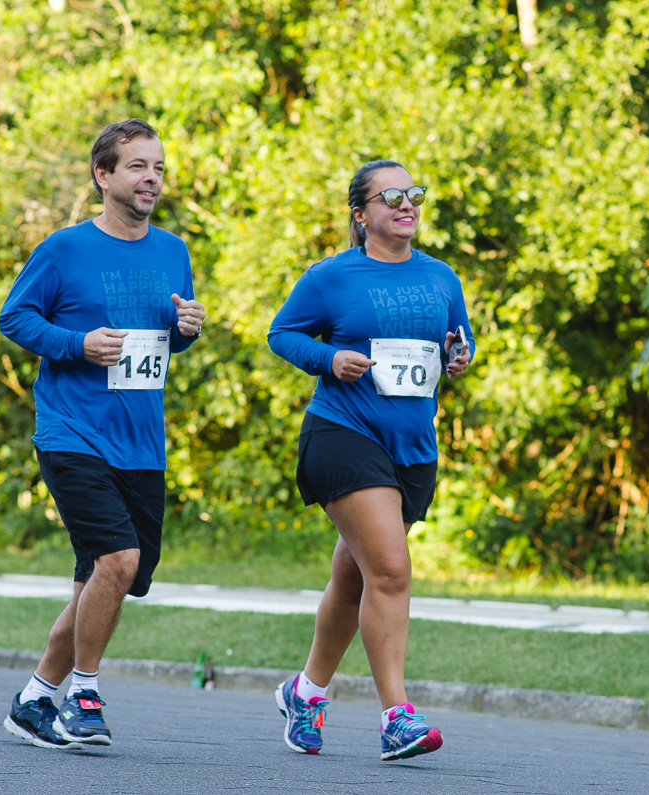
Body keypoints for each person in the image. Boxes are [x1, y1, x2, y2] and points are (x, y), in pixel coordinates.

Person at [0, 118, 205, 749]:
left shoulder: (173, 251)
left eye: (159, 168)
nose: (152, 179)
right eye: (138, 166)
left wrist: (185, 332)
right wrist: (75, 344)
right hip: (72, 431)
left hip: (141, 438)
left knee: (109, 581)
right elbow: (15, 317)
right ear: (104, 175)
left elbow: (161, 346)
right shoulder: (65, 249)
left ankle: (35, 698)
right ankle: (83, 693)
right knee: (119, 561)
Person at [267, 160, 474, 761]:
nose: (406, 204)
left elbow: (456, 342)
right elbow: (284, 334)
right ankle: (396, 717)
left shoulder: (441, 277)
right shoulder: (332, 277)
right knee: (390, 570)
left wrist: (458, 357)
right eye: (391, 196)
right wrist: (329, 360)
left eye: (414, 194)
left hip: (412, 447)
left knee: (354, 575)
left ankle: (305, 691)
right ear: (361, 214)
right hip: (343, 433)